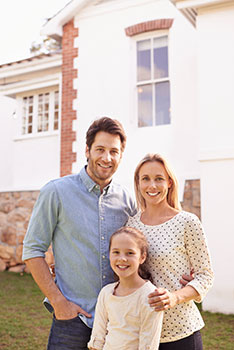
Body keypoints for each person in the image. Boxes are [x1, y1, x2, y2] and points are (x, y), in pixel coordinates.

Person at [22, 117, 137, 350]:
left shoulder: (127, 200)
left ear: (121, 155)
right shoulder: (56, 191)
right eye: (100, 149)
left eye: (114, 151)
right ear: (87, 150)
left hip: (118, 322)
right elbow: (32, 250)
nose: (107, 158)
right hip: (73, 320)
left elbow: (141, 252)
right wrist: (58, 302)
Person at [127, 153, 214, 350]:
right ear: (138, 184)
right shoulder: (131, 225)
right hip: (143, 333)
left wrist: (175, 297)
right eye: (146, 179)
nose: (152, 186)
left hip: (181, 332)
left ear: (169, 183)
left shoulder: (187, 222)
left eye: (159, 179)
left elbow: (205, 276)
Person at [88, 226, 164, 350]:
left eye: (130, 253)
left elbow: (148, 345)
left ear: (142, 257)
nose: (122, 258)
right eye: (116, 252)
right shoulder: (106, 292)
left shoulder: (150, 296)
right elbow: (98, 337)